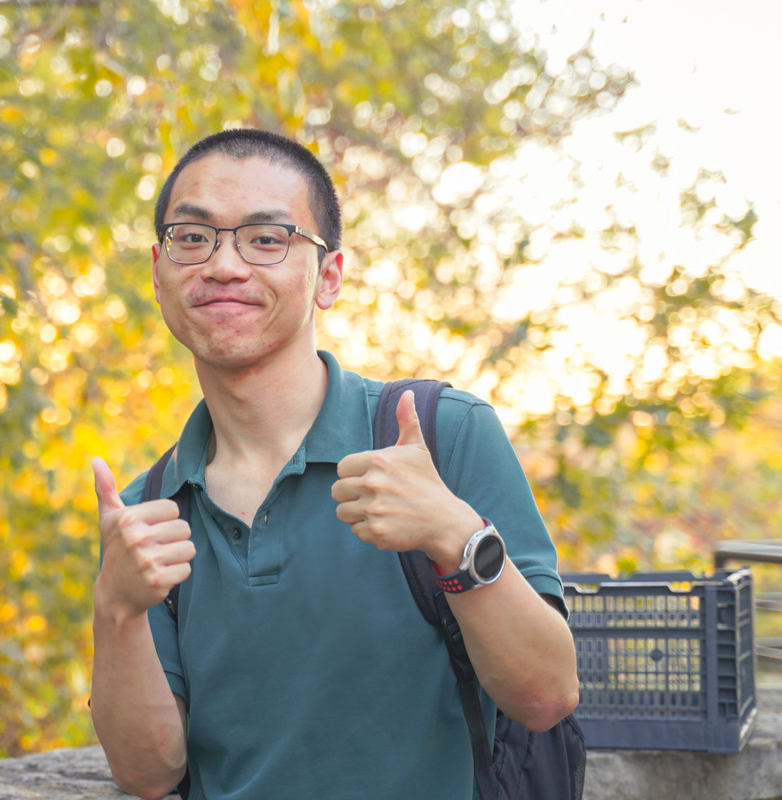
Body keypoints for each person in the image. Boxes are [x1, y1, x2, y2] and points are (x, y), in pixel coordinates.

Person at [89, 128, 579, 800]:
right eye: (193, 236)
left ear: (328, 277)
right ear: (158, 270)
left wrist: (454, 537)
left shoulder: (440, 435)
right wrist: (115, 609)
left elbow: (546, 696)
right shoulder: (152, 506)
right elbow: (148, 773)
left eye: (266, 239)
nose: (223, 265)